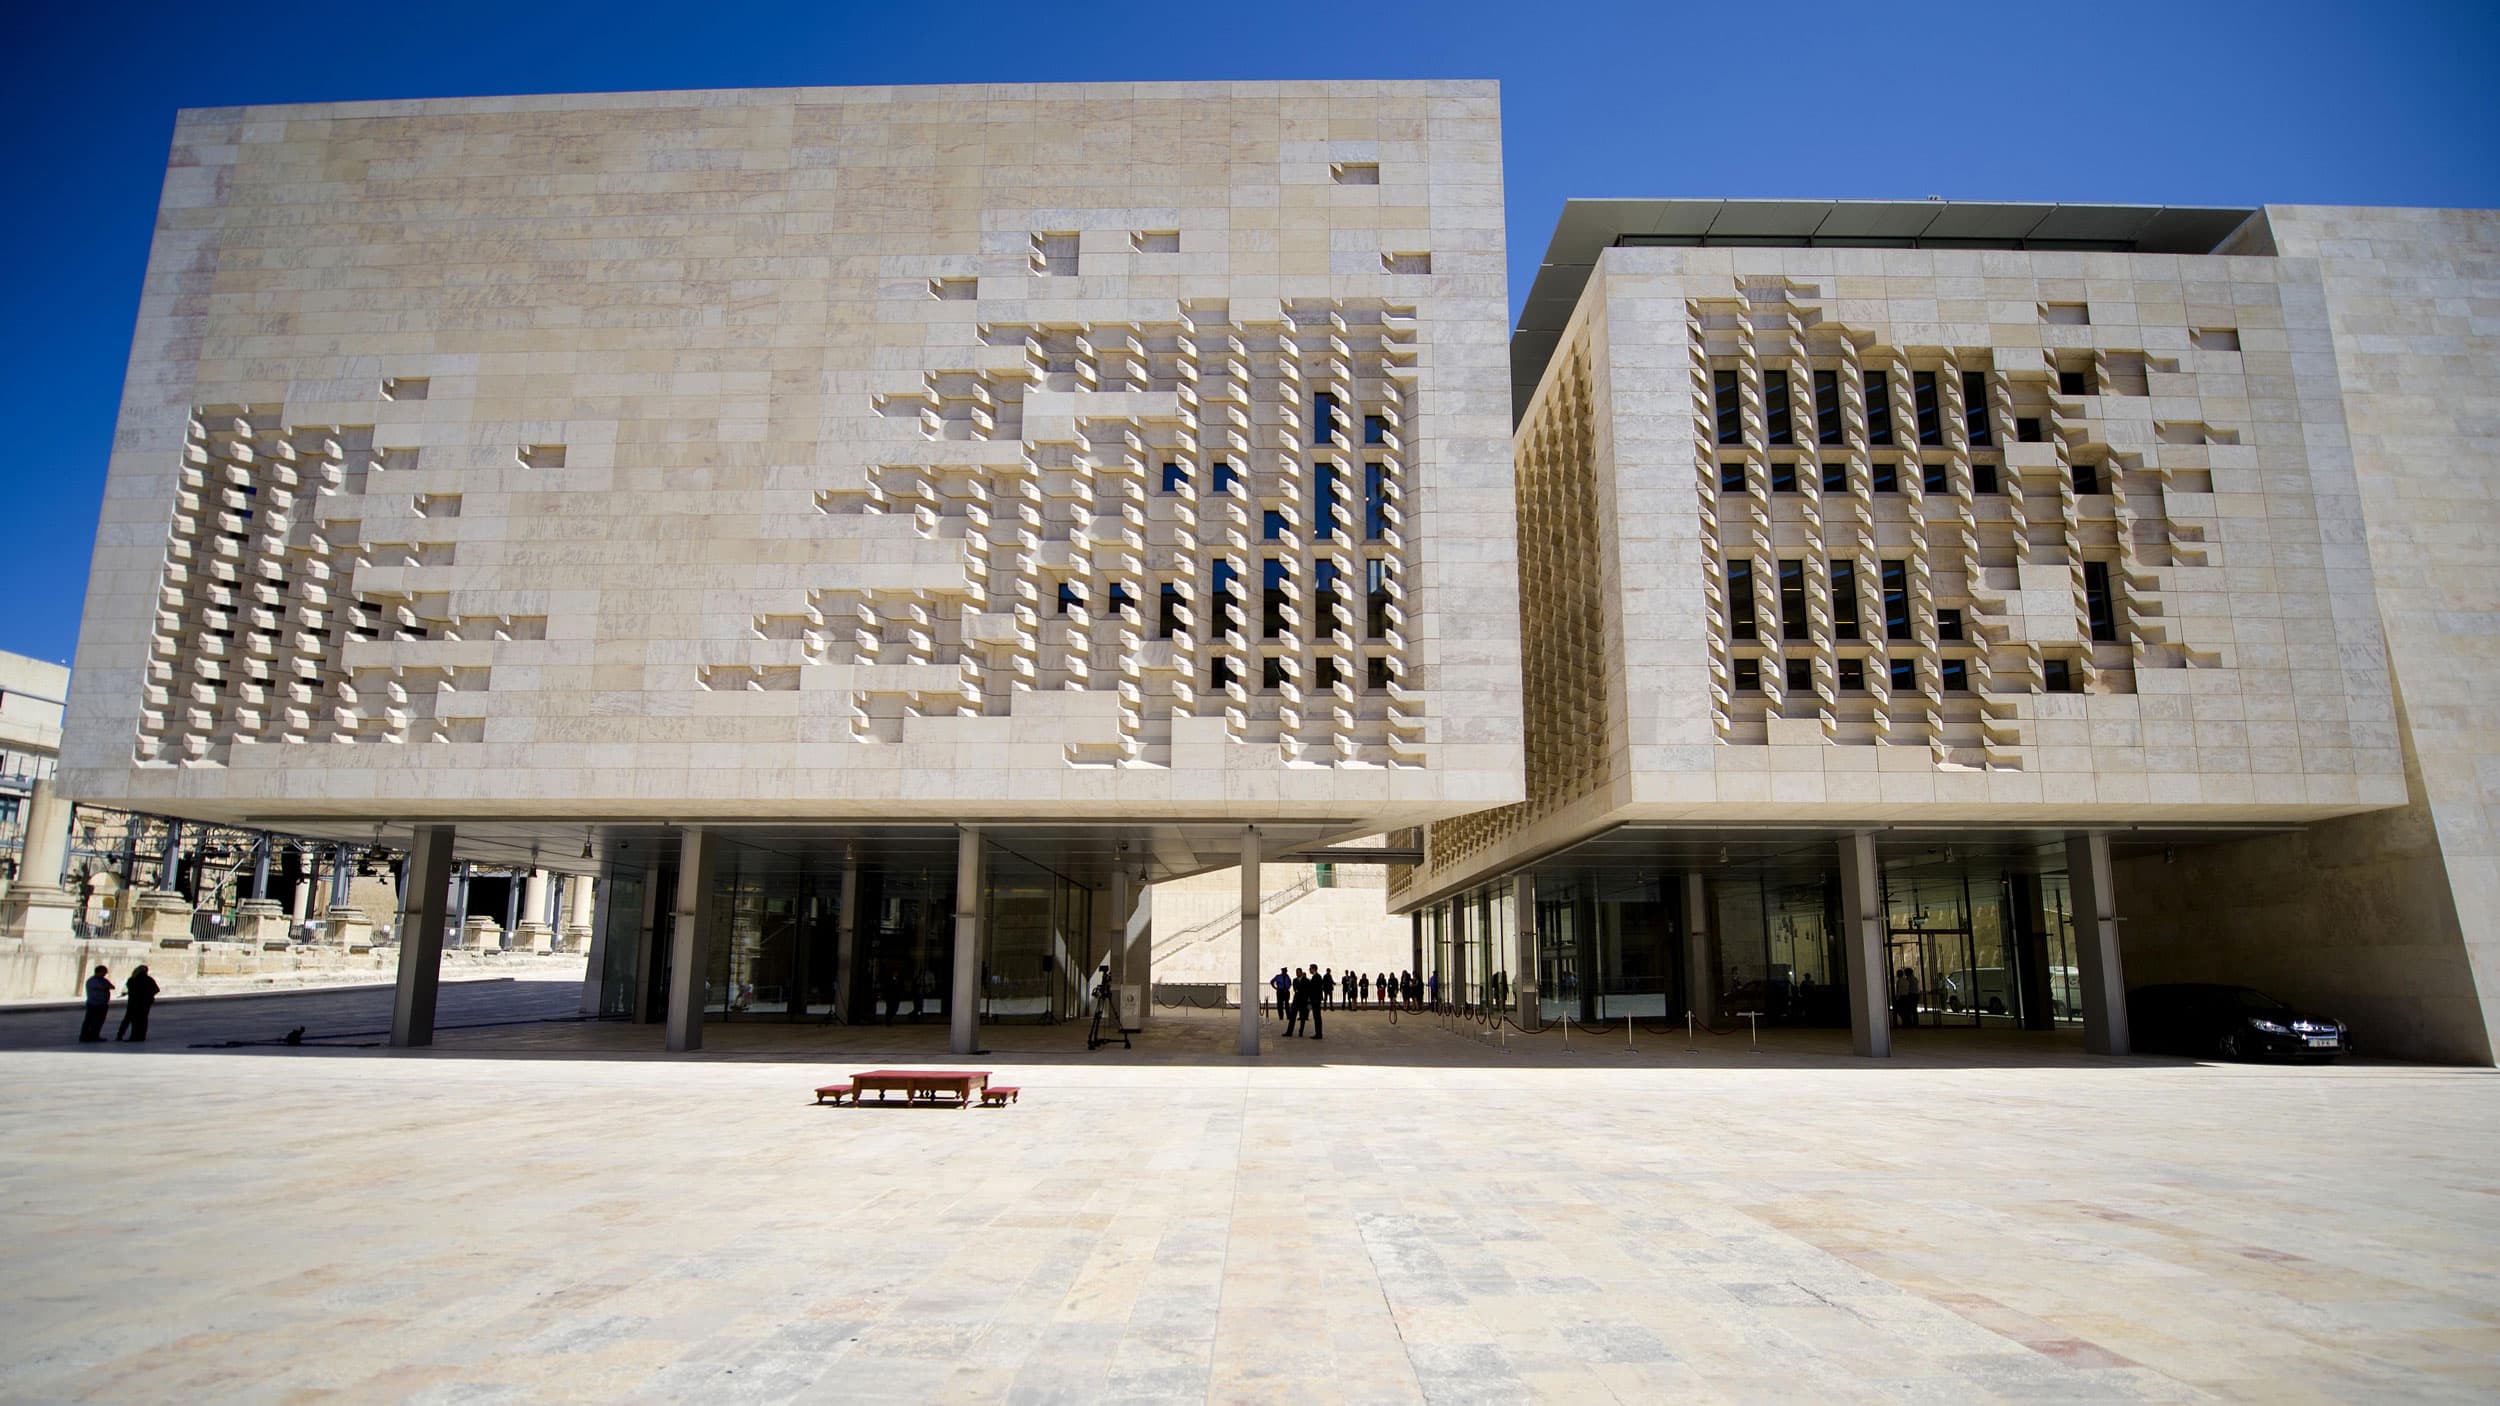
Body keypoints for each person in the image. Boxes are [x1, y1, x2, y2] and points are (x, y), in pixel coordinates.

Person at [115, 965, 160, 1043]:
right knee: (142, 1020)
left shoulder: (132, 979)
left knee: (128, 1019)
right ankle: (140, 1036)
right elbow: (156, 990)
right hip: (144, 1003)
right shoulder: (148, 979)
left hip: (133, 1002)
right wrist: (148, 995)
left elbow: (130, 989)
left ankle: (121, 1035)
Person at [78, 964, 114, 1043]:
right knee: (89, 1021)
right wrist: (105, 987)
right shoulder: (92, 981)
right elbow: (101, 987)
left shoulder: (104, 980)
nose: (105, 974)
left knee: (99, 1021)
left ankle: (95, 1035)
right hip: (93, 1004)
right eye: (104, 972)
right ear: (99, 972)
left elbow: (112, 987)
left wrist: (106, 987)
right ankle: (84, 1036)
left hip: (103, 1004)